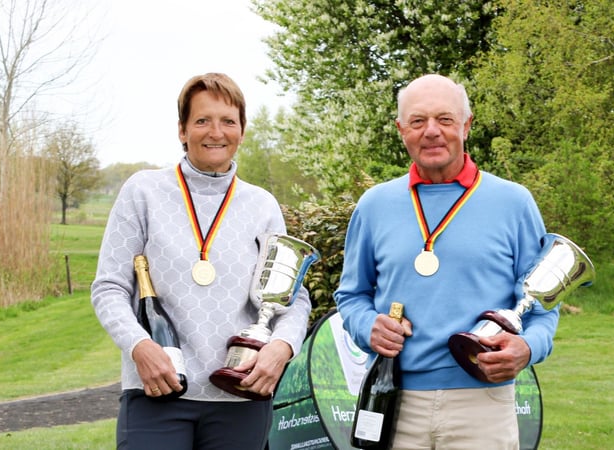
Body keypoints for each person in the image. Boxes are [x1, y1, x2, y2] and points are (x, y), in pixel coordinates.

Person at [334, 74, 559, 449]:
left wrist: (529, 348)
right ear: (401, 129)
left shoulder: (514, 203)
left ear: (467, 126)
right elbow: (351, 296)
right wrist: (366, 326)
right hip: (393, 399)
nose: (432, 131)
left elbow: (543, 305)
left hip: (483, 405)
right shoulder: (374, 205)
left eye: (445, 119)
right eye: (418, 121)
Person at [91, 72, 311, 449]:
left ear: (242, 131)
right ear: (182, 129)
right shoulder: (143, 191)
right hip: (157, 390)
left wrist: (281, 348)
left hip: (239, 395)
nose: (216, 132)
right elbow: (109, 287)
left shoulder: (262, 205)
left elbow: (293, 298)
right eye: (202, 120)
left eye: (228, 121)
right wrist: (140, 347)